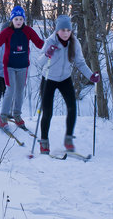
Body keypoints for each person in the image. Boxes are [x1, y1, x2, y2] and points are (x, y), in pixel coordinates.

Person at [39, 15, 100, 154]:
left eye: (68, 30)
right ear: (57, 30)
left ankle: (68, 139)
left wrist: (91, 75)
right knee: (47, 112)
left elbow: (80, 63)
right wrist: (47, 54)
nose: (66, 33)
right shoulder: (50, 42)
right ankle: (44, 141)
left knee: (72, 107)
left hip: (65, 79)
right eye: (62, 30)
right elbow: (39, 62)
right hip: (49, 78)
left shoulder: (75, 43)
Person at [0, 6, 44, 128]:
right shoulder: (7, 32)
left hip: (23, 66)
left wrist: (50, 46)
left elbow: (39, 43)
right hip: (9, 66)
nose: (18, 21)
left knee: (20, 91)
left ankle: (17, 115)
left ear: (24, 20)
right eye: (16, 19)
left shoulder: (28, 31)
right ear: (12, 19)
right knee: (10, 90)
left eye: (21, 19)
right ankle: (3, 116)